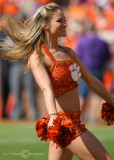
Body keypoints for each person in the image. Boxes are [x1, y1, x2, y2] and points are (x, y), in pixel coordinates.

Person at [0, 2, 113, 160]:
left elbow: (92, 80)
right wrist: (53, 118)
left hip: (74, 121)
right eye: (60, 21)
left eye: (65, 20)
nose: (65, 23)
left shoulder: (69, 52)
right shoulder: (38, 55)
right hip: (65, 125)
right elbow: (47, 89)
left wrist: (111, 100)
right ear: (45, 25)